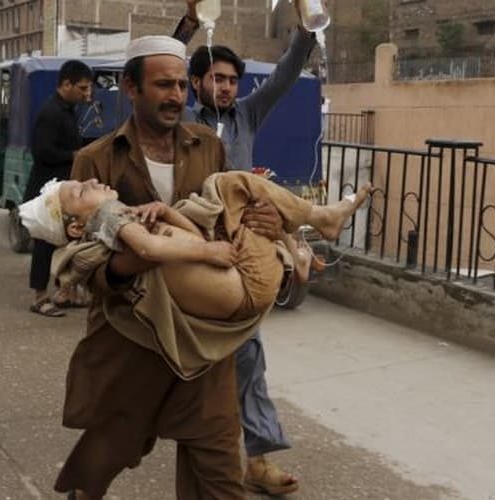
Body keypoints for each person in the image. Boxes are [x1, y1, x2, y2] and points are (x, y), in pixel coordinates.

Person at [53, 35, 245, 500]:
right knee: (111, 447)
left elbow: (226, 224)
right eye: (163, 85)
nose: (176, 95)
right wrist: (129, 262)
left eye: (181, 85)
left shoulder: (208, 146)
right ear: (130, 88)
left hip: (200, 338)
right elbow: (85, 269)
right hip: (131, 336)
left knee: (218, 459)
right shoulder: (95, 159)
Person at [171, 1, 319, 494]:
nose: (226, 87)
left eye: (232, 79)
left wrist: (305, 29)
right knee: (181, 363)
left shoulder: (246, 117)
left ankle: (257, 461)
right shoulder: (180, 121)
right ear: (195, 84)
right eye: (216, 78)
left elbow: (283, 76)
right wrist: (188, 26)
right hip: (187, 251)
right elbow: (162, 67)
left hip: (239, 257)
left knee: (248, 355)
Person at [23, 173, 369, 320]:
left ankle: (300, 250)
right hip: (248, 284)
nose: (91, 181)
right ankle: (320, 222)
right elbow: (151, 251)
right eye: (80, 191)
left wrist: (169, 213)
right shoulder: (108, 218)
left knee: (236, 196)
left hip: (247, 286)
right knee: (225, 184)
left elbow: (194, 237)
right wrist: (209, 252)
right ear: (75, 225)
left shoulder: (115, 221)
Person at [24, 59, 93, 317]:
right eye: (83, 88)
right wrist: (74, 156)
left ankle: (65, 293)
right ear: (66, 84)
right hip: (46, 192)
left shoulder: (67, 111)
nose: (87, 94)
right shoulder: (50, 112)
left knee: (69, 243)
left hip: (62, 190)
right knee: (44, 245)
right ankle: (39, 297)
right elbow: (43, 152)